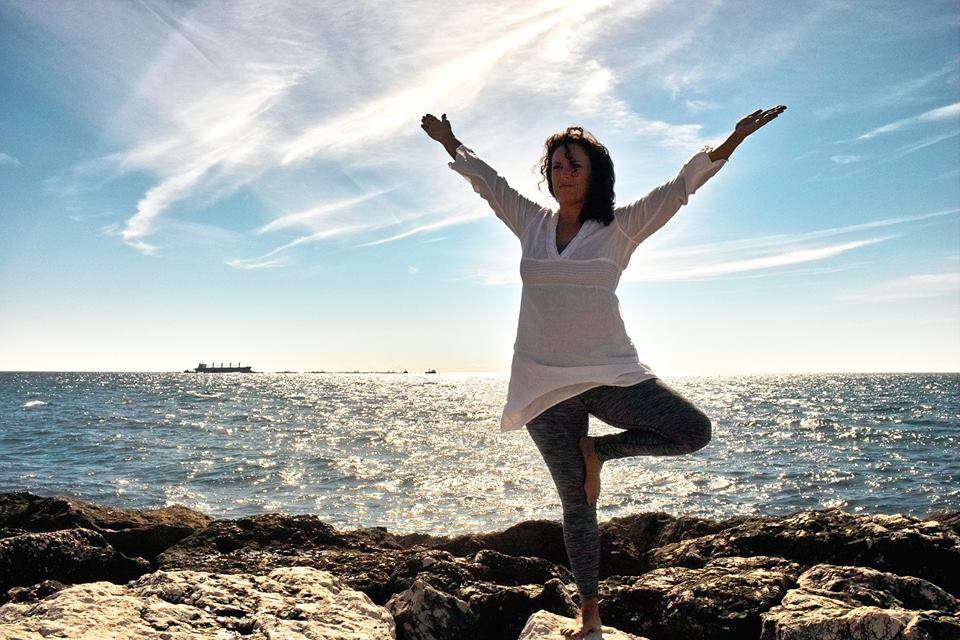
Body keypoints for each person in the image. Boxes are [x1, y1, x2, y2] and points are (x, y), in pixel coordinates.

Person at [421, 106, 786, 639]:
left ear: (595, 175)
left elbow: (679, 189)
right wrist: (451, 142)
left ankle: (602, 452)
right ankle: (589, 615)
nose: (563, 173)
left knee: (693, 430)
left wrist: (733, 139)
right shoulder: (532, 223)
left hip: (610, 374)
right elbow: (489, 184)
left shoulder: (619, 228)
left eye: (575, 165)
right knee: (577, 503)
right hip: (542, 384)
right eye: (556, 165)